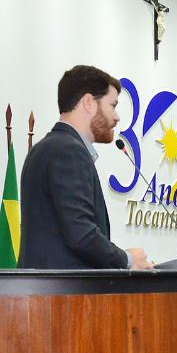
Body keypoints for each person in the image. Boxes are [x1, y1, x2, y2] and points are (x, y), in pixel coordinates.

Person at [18, 65, 150, 270]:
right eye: (113, 105)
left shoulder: (44, 148)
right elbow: (82, 235)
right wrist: (128, 260)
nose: (117, 117)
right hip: (65, 297)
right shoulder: (68, 151)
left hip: (47, 295)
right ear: (89, 102)